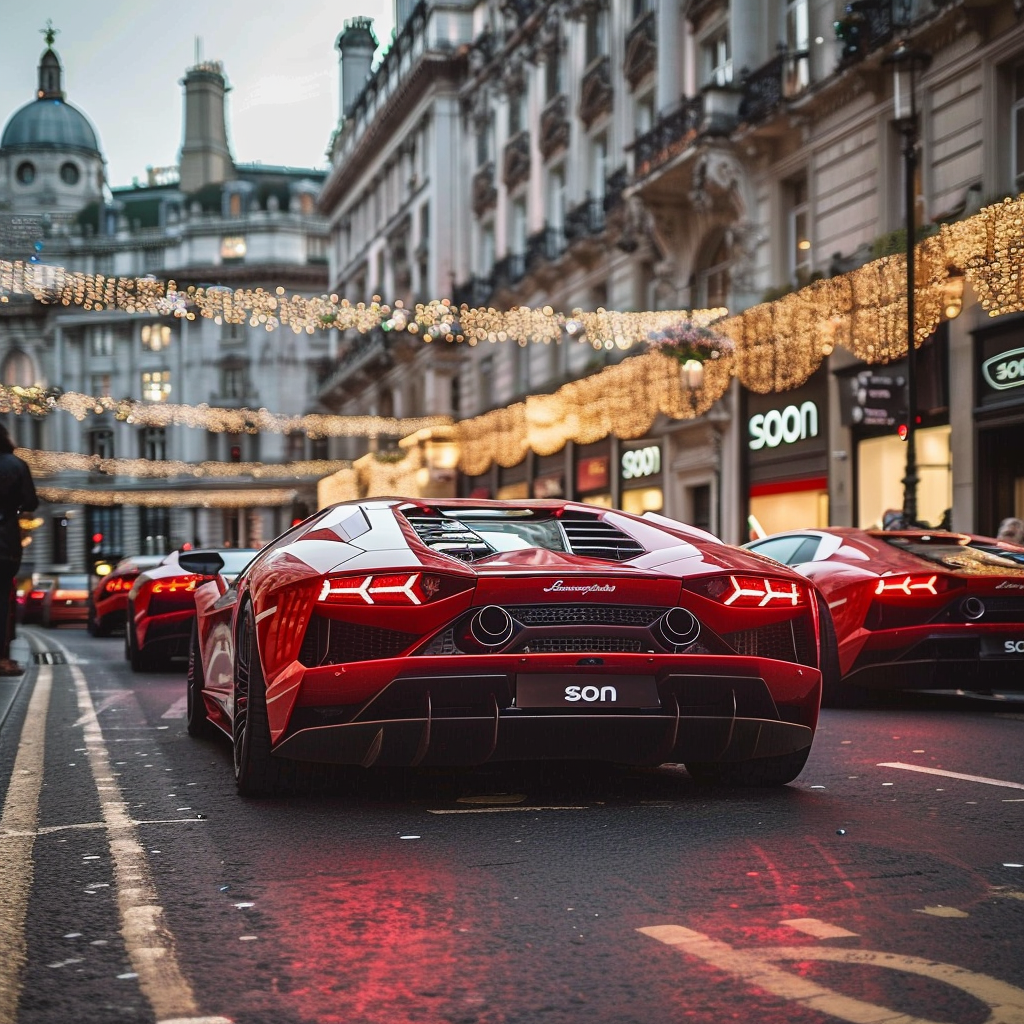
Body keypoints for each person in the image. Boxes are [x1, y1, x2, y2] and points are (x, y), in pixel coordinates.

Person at [0, 425, 38, 676]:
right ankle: (3, 657)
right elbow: (31, 502)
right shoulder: (15, 465)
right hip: (4, 542)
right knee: (3, 599)